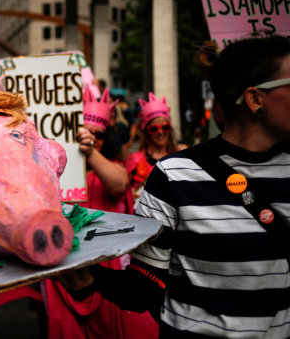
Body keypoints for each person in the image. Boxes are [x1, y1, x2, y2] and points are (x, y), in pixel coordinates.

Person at [57, 35, 290, 338]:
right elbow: (144, 286)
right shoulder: (174, 176)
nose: (159, 132)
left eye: (163, 127)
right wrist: (91, 279)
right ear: (255, 98)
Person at [43, 88, 158, 339]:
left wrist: (90, 151)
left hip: (103, 269)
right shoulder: (51, 177)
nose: (93, 138)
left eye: (99, 135)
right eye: (87, 133)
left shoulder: (109, 168)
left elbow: (119, 184)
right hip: (63, 269)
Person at [124, 92, 187, 208]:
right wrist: (128, 195)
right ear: (146, 131)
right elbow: (121, 192)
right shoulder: (135, 160)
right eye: (154, 129)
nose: (160, 132)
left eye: (165, 127)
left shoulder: (180, 154)